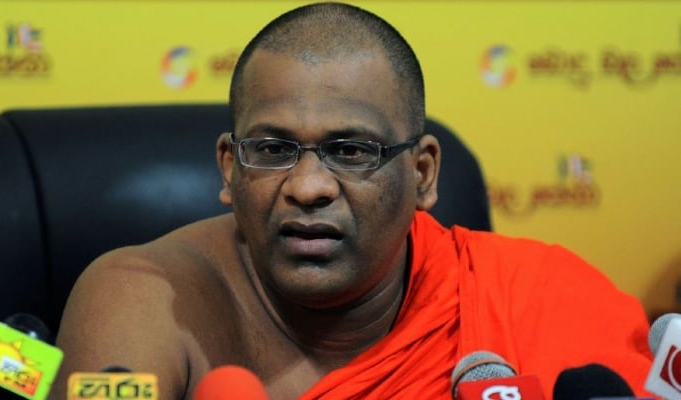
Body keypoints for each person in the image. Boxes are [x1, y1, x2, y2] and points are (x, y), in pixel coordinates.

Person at [50, 2, 654, 399]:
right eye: (272, 148)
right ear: (230, 168)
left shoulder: (539, 293)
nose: (308, 186)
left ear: (422, 175)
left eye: (351, 150)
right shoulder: (147, 295)